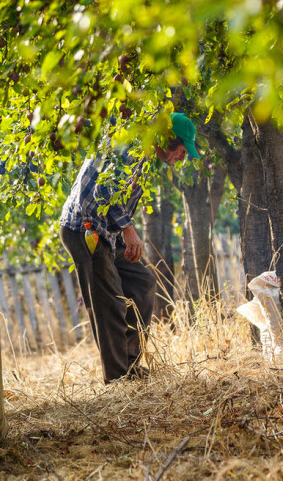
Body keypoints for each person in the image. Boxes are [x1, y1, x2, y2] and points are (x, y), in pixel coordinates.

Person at [59, 112, 199, 383]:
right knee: (109, 302)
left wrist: (125, 233)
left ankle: (131, 365)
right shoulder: (130, 145)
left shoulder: (146, 158)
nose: (183, 158)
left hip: (108, 234)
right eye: (182, 151)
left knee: (142, 282)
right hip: (84, 229)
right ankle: (118, 379)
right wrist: (129, 229)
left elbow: (119, 199)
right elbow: (103, 190)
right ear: (169, 140)